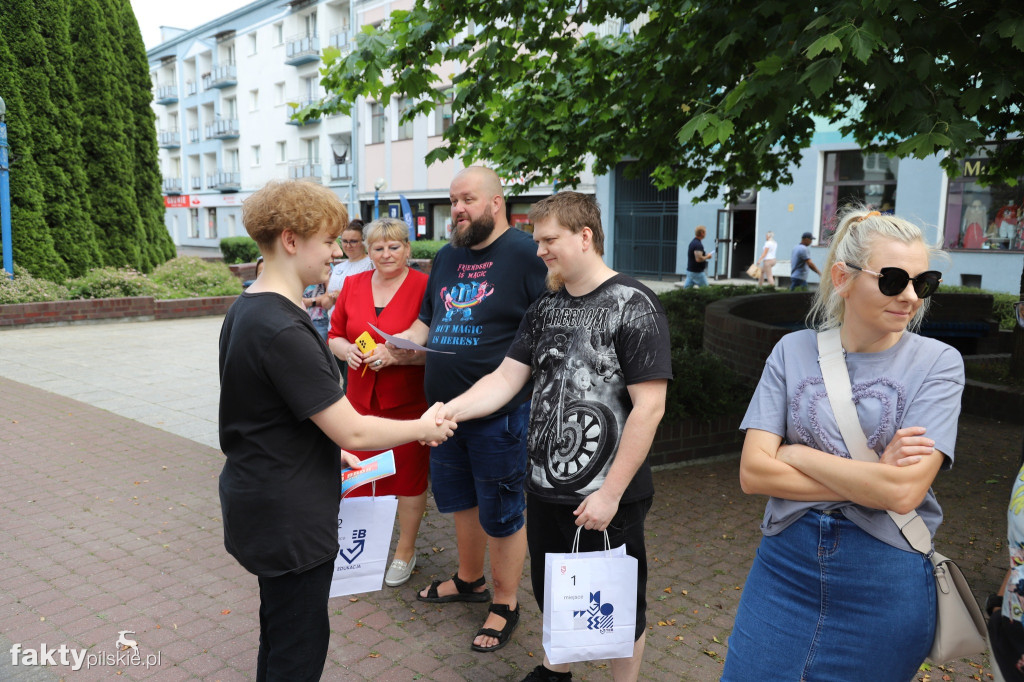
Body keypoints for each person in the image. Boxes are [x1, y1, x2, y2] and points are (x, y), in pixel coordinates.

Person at [217, 179, 455, 681]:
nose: (335, 254)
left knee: (279, 633)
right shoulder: (282, 326)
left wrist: (323, 448)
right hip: (290, 514)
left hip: (263, 497)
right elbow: (355, 433)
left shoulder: (248, 308)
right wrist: (423, 425)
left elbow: (271, 412)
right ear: (290, 241)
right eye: (327, 242)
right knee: (298, 651)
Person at [436, 191, 672, 682]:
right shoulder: (546, 306)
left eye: (549, 239)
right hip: (543, 487)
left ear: (584, 236)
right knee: (557, 589)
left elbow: (650, 407)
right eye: (538, 239)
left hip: (606, 497)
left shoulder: (635, 304)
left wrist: (610, 494)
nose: (539, 249)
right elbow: (505, 379)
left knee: (617, 602)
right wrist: (449, 411)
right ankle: (555, 669)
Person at [722, 208, 964, 681]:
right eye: (893, 279)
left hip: (884, 576)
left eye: (924, 281)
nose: (911, 296)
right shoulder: (792, 351)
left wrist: (795, 455)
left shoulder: (939, 364)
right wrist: (874, 477)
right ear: (842, 278)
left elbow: (901, 494)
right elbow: (753, 474)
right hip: (784, 569)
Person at [388, 165, 547, 653]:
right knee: (459, 501)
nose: (457, 209)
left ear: (496, 202)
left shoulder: (526, 254)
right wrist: (403, 345)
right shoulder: (449, 256)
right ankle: (469, 579)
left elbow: (547, 327)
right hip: (442, 411)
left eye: (468, 200)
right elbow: (427, 322)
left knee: (502, 510)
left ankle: (505, 603)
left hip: (500, 413)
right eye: (453, 200)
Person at [327, 217, 429, 588]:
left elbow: (434, 348)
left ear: (407, 248)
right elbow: (334, 334)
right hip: (358, 402)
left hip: (407, 401)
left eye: (394, 246)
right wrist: (347, 350)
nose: (386, 253)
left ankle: (405, 550)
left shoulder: (425, 287)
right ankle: (362, 545)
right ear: (367, 252)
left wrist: (398, 357)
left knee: (409, 479)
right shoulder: (352, 284)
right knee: (360, 474)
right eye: (378, 247)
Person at [324, 218, 374, 320]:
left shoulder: (371, 265)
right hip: (333, 325)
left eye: (353, 241)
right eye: (344, 241)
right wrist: (329, 299)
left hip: (357, 324)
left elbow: (373, 299)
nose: (348, 245)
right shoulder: (338, 268)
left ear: (364, 242)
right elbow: (326, 302)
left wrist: (342, 297)